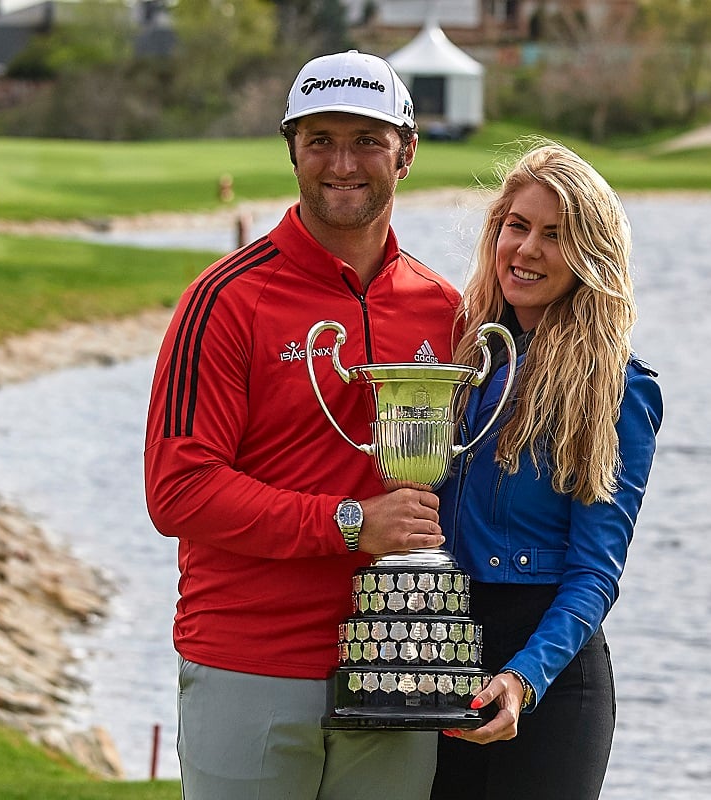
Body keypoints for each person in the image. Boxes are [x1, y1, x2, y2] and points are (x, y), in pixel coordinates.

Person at [144, 50, 461, 800]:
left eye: (366, 140)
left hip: (401, 663)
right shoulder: (223, 299)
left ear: (406, 153)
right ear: (292, 149)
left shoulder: (443, 308)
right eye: (320, 139)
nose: (341, 162)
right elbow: (179, 491)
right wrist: (353, 523)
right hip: (251, 663)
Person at [431, 142, 663, 799]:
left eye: (557, 236)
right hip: (446, 659)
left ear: (590, 255)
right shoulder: (460, 361)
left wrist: (523, 678)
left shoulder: (616, 386)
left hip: (552, 680)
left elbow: (596, 572)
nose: (528, 249)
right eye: (518, 226)